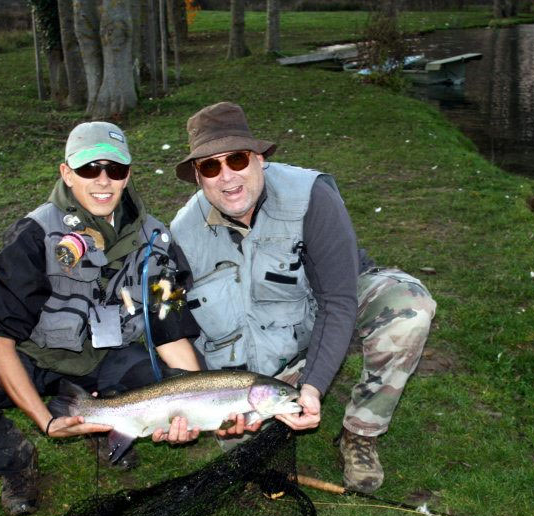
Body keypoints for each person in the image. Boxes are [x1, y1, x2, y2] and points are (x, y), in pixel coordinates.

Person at [0, 122, 206, 516]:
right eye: (88, 170)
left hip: (106, 357)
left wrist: (192, 407)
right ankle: (15, 462)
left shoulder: (156, 242)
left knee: (165, 386)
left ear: (128, 174)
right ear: (67, 173)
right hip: (34, 355)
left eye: (114, 170)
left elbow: (170, 333)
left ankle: (107, 428)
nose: (103, 181)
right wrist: (46, 422)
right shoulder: (33, 235)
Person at [170, 102, 436, 493]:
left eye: (238, 160)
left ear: (259, 159)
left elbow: (338, 301)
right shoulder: (182, 234)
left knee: (408, 309)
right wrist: (208, 400)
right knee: (242, 443)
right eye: (211, 166)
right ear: (198, 176)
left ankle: (360, 433)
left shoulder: (312, 197)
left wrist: (311, 389)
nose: (227, 177)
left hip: (328, 305)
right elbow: (182, 331)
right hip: (262, 361)